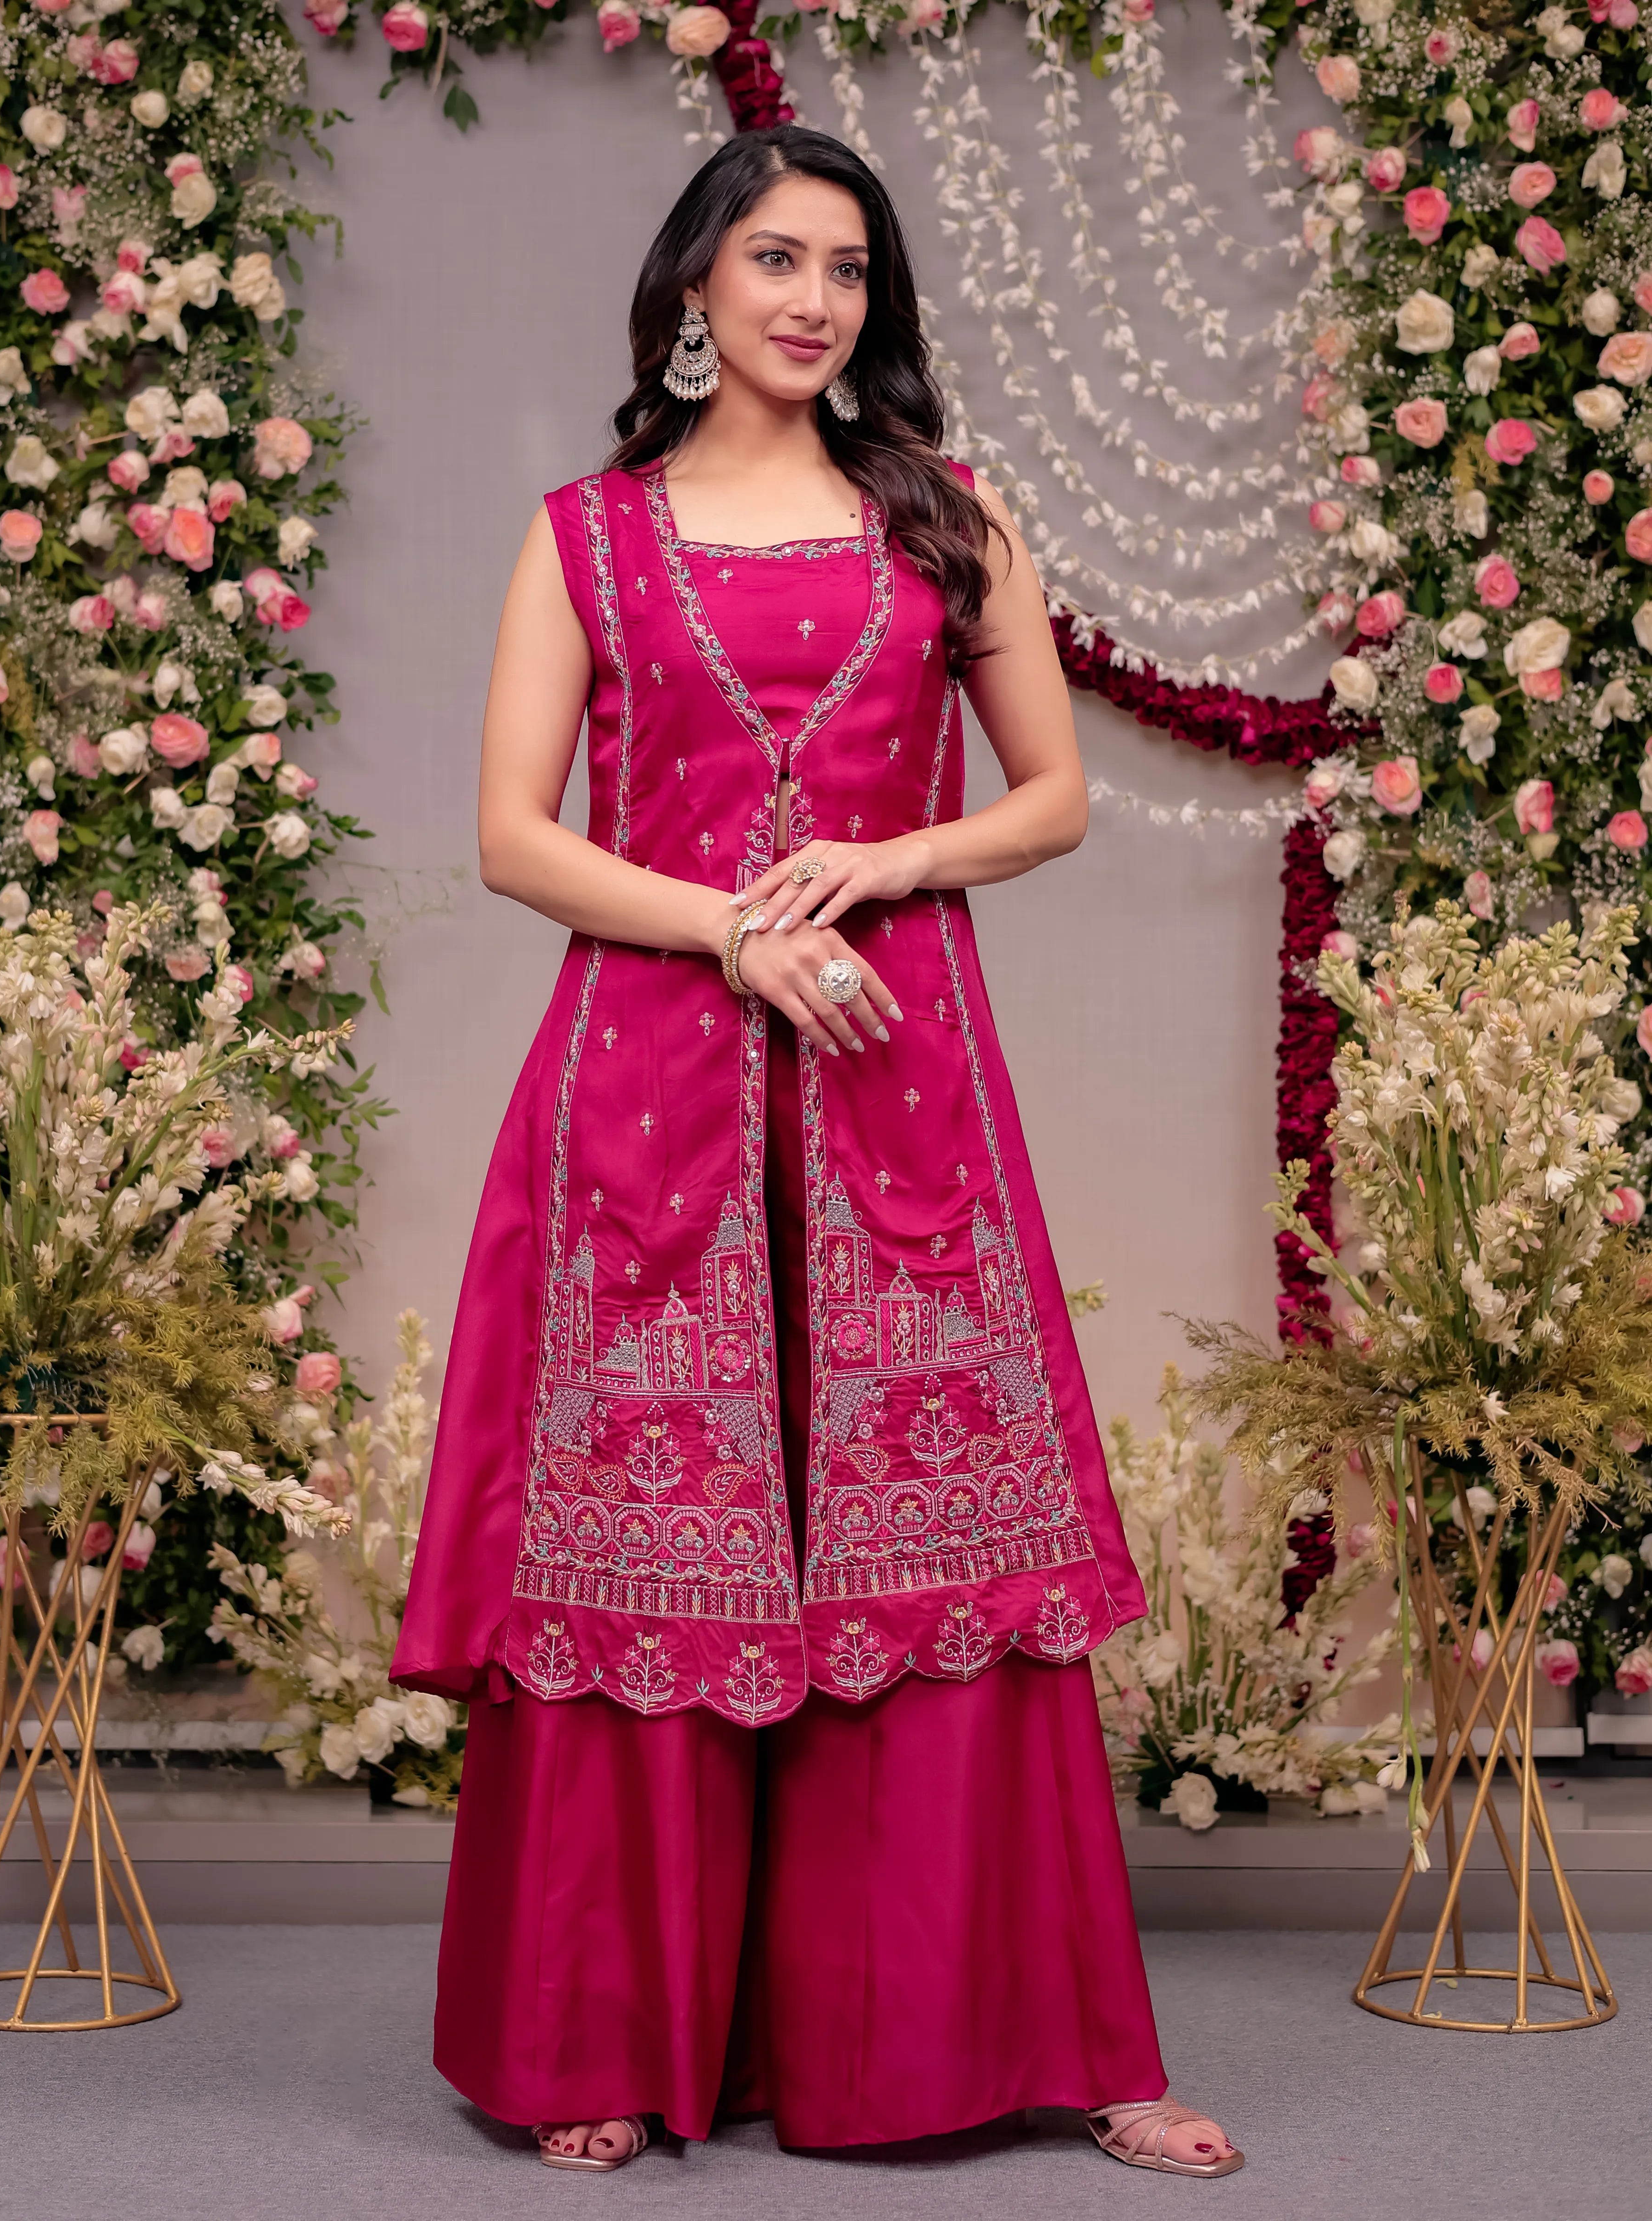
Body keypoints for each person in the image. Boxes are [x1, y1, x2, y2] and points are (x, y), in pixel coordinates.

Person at [393, 124, 1241, 2181]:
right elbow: (514, 836)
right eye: (771, 259)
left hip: (897, 1075)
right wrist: (742, 934)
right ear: (692, 285)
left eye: (847, 270)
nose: (810, 300)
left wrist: (884, 862)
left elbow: (1047, 800)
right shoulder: (585, 536)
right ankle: (604, 2035)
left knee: (941, 1546)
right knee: (644, 1547)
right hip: (650, 1079)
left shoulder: (946, 522)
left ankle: (1024, 2037)